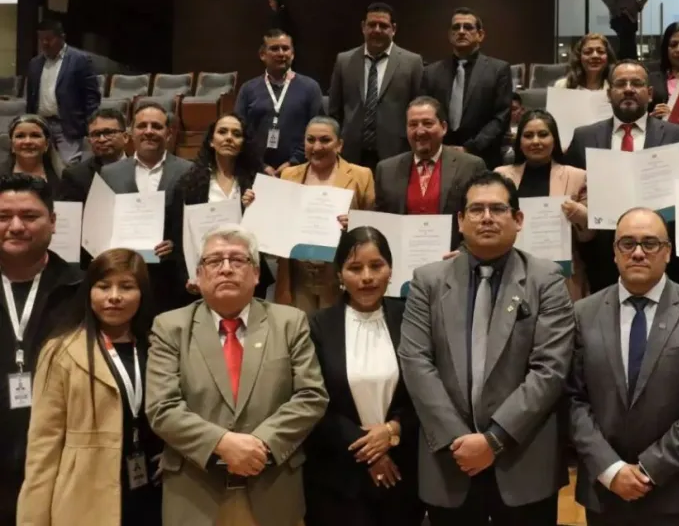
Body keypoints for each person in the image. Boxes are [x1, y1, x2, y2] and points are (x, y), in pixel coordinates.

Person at [398, 170, 575, 526]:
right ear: (460, 221)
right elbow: (416, 362)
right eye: (476, 210)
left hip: (522, 459)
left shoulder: (547, 280)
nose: (487, 218)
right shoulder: (427, 281)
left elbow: (550, 370)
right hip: (450, 458)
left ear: (518, 219)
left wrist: (494, 440)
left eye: (498, 209)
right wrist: (458, 440)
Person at [144, 224, 328, 526]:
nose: (226, 269)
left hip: (273, 492)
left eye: (237, 260)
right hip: (196, 496)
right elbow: (162, 408)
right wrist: (223, 444)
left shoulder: (289, 322)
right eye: (214, 261)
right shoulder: (169, 327)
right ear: (199, 275)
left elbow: (311, 396)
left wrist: (260, 444)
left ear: (256, 273)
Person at [567, 207, 679, 526]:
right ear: (614, 253)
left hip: (676, 487)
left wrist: (651, 468)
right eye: (627, 243)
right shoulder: (583, 313)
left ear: (667, 253)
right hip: (605, 485)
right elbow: (573, 400)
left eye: (650, 244)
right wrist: (611, 469)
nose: (638, 252)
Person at [18, 249, 164, 526]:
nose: (114, 296)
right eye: (103, 286)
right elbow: (43, 445)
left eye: (127, 286)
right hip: (84, 496)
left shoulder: (158, 346)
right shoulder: (62, 351)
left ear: (142, 293)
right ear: (89, 292)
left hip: (150, 491)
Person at [304, 227, 424, 526]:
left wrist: (392, 431)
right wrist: (369, 449)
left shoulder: (412, 318)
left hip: (402, 471)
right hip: (337, 477)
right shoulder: (318, 325)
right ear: (340, 275)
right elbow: (314, 401)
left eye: (376, 266)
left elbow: (425, 392)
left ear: (391, 269)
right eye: (355, 268)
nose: (367, 276)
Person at [565, 60, 679, 293]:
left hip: (661, 256)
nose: (628, 89)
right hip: (602, 257)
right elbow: (573, 192)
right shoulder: (584, 137)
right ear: (609, 93)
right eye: (621, 84)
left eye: (636, 83)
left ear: (649, 93)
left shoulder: (678, 136)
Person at [0, 173, 84, 523]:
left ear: (52, 221)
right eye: (4, 216)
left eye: (30, 216)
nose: (16, 226)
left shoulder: (83, 289)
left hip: (60, 461)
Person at [100, 102, 193, 312]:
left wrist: (175, 244)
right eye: (142, 126)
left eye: (156, 126)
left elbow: (192, 222)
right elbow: (102, 222)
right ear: (131, 132)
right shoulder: (110, 173)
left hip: (169, 277)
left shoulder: (188, 171)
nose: (149, 131)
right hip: (124, 272)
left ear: (169, 133)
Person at [275, 117, 375, 312]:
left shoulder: (361, 176)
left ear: (339, 145)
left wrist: (355, 225)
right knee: (300, 334)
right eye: (310, 140)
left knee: (335, 337)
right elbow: (276, 223)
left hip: (338, 274)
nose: (317, 146)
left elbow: (373, 226)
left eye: (325, 140)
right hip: (298, 275)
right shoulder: (289, 175)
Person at [496, 110, 594, 299]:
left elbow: (588, 237)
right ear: (519, 141)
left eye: (543, 134)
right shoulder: (500, 175)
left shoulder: (577, 176)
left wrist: (582, 216)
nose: (535, 141)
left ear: (554, 139)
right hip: (509, 273)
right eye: (528, 135)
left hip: (560, 276)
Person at [374, 96, 487, 250]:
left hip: (454, 261)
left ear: (444, 127)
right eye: (413, 124)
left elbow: (480, 217)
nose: (420, 131)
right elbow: (381, 221)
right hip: (402, 259)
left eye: (427, 123)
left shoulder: (471, 166)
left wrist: (465, 253)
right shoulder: (386, 170)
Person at [174, 113, 267, 299]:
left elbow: (269, 233)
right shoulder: (190, 183)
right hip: (206, 274)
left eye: (236, 134)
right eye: (222, 132)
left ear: (243, 143)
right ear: (211, 141)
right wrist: (191, 275)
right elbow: (179, 235)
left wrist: (253, 209)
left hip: (245, 272)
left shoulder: (257, 182)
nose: (229, 138)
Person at [328, 2, 425, 171]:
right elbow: (334, 110)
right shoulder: (344, 61)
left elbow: (418, 109)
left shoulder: (412, 63)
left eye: (384, 26)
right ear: (363, 27)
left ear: (393, 29)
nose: (377, 30)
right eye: (372, 25)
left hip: (395, 152)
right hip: (351, 152)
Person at [421, 8, 512, 170]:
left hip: (483, 157)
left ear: (480, 35)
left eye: (468, 27)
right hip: (440, 156)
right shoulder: (431, 72)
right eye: (456, 27)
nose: (461, 32)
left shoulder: (498, 70)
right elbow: (426, 115)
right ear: (450, 35)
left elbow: (501, 117)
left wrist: (470, 148)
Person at [234, 29, 324, 177]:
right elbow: (239, 131)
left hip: (300, 170)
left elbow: (317, 131)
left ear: (293, 54)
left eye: (286, 48)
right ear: (263, 55)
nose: (281, 53)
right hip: (256, 171)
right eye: (274, 48)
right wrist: (259, 165)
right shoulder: (248, 89)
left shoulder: (310, 87)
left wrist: (294, 162)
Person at [24, 19, 101, 164]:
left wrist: (89, 125)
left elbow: (91, 97)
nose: (44, 43)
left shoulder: (80, 60)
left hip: (67, 125)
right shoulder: (35, 63)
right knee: (37, 165)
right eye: (41, 39)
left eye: (49, 39)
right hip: (40, 125)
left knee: (69, 168)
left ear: (62, 37)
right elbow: (31, 98)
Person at [58, 108, 129, 203]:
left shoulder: (141, 168)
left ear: (125, 137)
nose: (102, 139)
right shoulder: (75, 176)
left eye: (108, 133)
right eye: (96, 134)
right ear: (89, 140)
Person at [0, 115, 64, 191]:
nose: (28, 141)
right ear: (12, 145)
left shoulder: (64, 177)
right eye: (20, 136)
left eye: (35, 136)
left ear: (46, 144)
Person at [552, 33, 616, 91]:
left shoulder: (615, 87)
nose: (595, 56)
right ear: (579, 57)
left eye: (601, 51)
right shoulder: (562, 86)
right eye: (588, 52)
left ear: (608, 57)